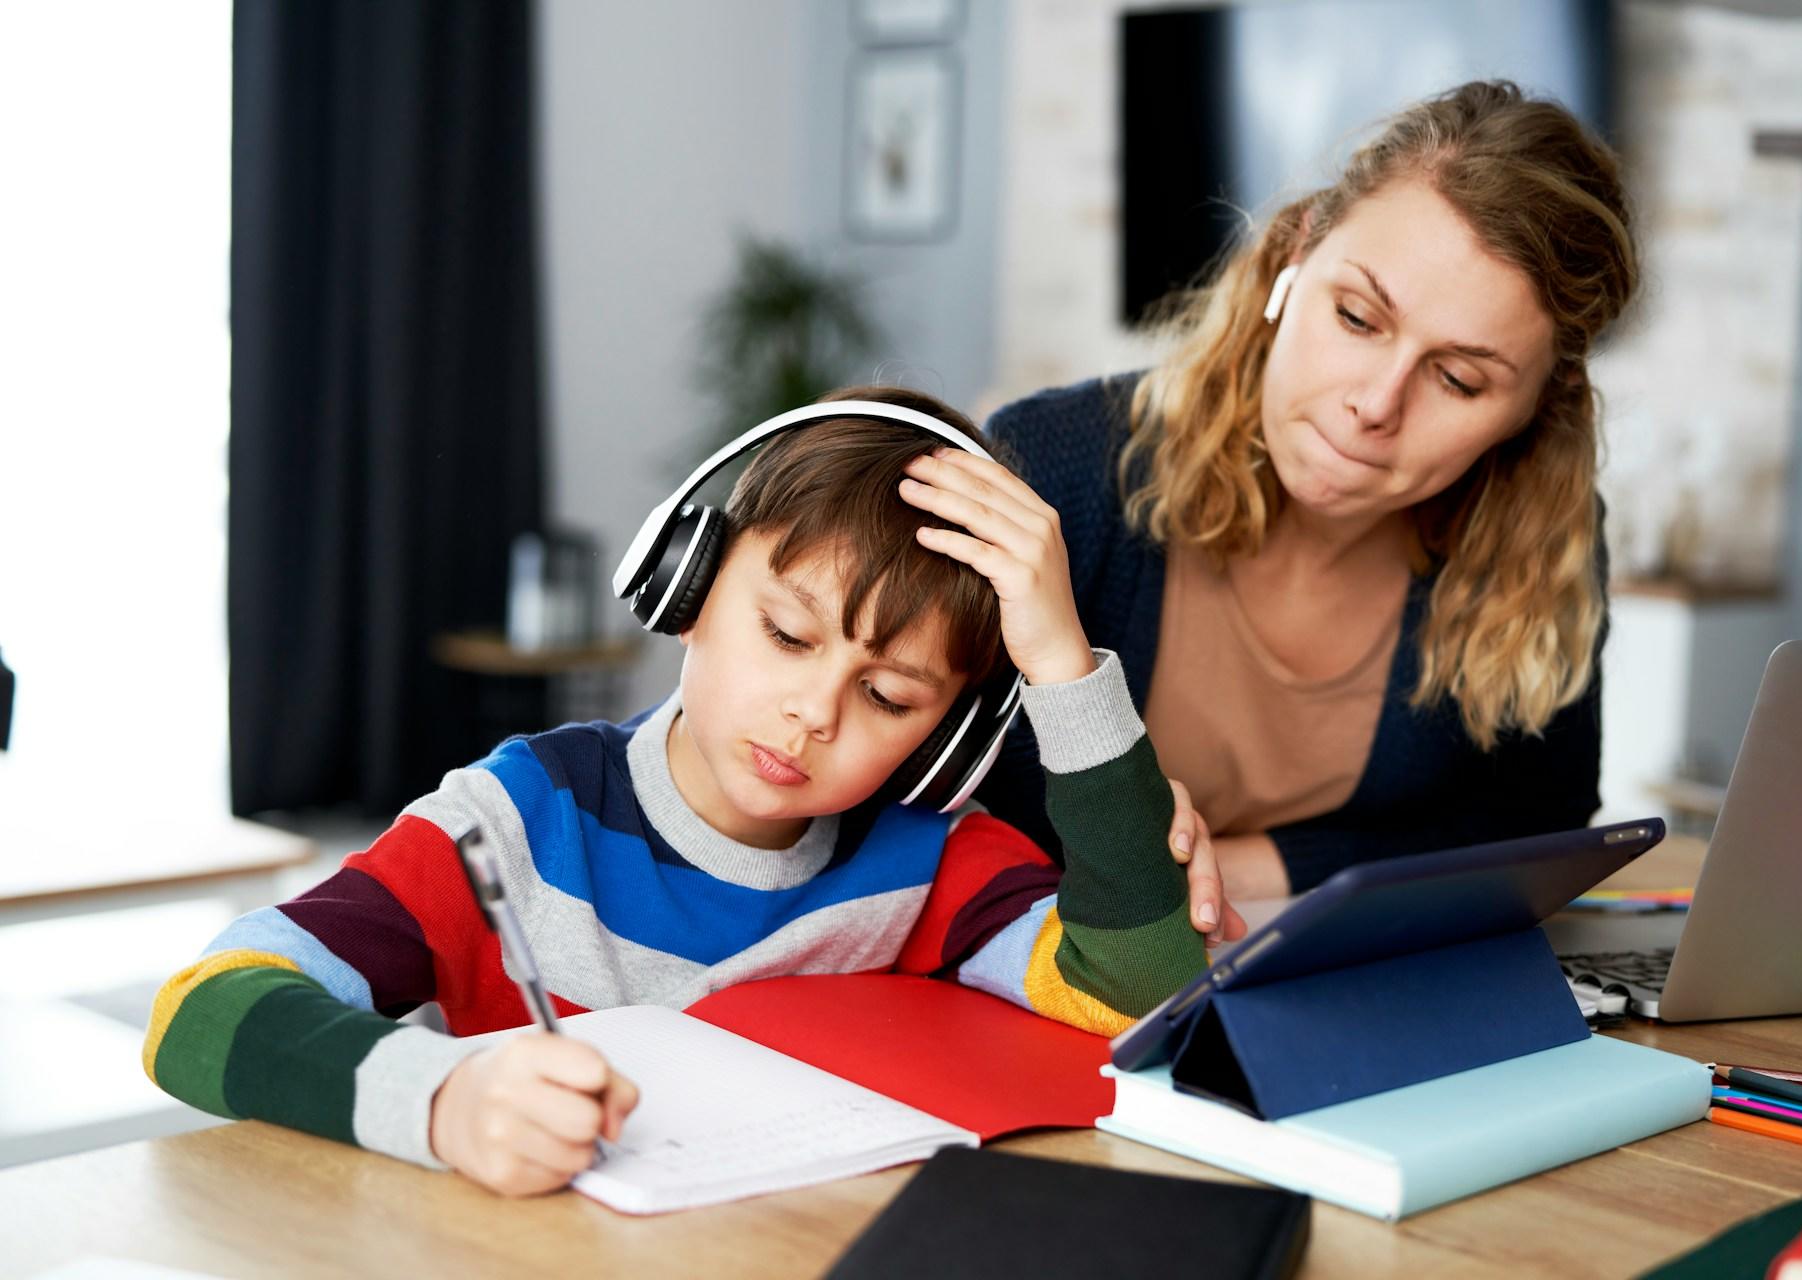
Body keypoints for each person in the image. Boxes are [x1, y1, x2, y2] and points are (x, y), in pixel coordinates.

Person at [142, 387, 1208, 1198]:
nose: (813, 714)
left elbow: (1137, 989)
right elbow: (203, 1007)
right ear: (687, 583)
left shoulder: (930, 855)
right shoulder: (517, 820)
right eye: (787, 633)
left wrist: (1067, 671)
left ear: (947, 735)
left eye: (887, 694)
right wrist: (441, 1101)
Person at [974, 80, 1638, 927]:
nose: (1375, 403)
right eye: (1357, 318)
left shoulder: (1543, 548)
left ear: (1539, 406)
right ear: (1296, 255)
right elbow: (908, 789)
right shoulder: (1061, 466)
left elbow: (1534, 827)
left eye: (1459, 378)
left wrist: (1254, 869)